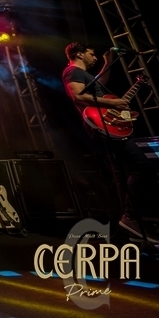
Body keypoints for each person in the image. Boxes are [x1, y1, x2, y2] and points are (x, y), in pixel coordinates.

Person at [62, 43, 157, 243]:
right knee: (143, 166)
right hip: (102, 126)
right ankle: (130, 217)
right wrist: (114, 103)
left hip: (110, 125)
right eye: (91, 53)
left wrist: (108, 61)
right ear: (79, 54)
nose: (94, 56)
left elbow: (100, 83)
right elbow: (78, 95)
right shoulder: (72, 72)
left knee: (124, 172)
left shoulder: (85, 75)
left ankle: (130, 226)